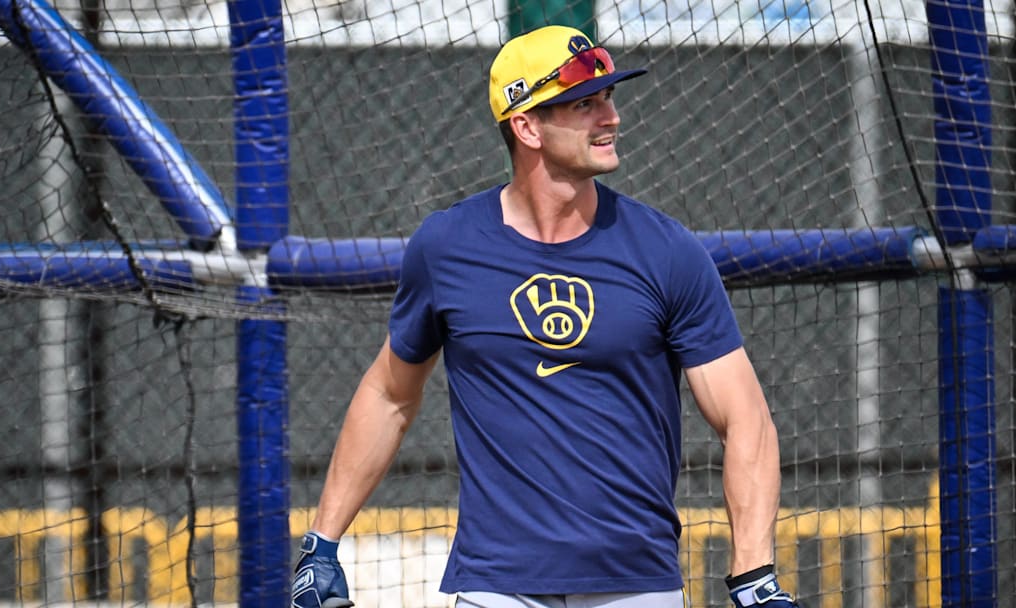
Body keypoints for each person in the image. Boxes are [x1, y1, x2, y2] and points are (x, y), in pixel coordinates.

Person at [290, 24, 800, 608]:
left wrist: (753, 573)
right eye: (584, 104)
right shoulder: (446, 246)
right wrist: (321, 545)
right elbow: (389, 395)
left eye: (608, 97)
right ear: (526, 126)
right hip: (495, 582)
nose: (610, 117)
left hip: (636, 582)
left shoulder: (667, 250)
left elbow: (745, 418)